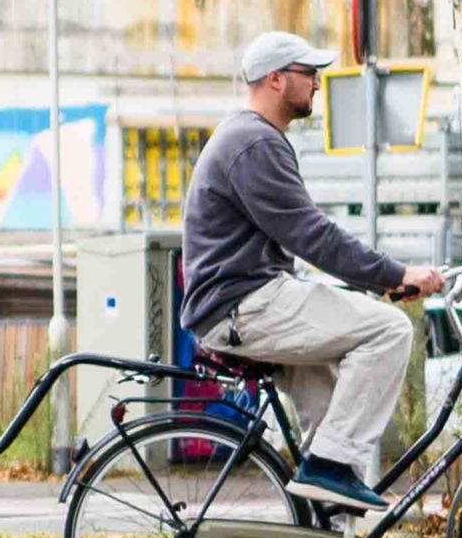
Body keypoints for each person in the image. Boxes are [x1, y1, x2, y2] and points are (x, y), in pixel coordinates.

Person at [179, 30, 447, 513]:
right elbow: (313, 236)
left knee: (328, 416)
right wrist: (393, 274)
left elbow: (303, 238)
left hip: (247, 300)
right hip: (244, 305)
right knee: (389, 330)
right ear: (276, 79)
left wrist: (381, 280)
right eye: (309, 73)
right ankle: (328, 467)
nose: (319, 83)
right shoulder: (254, 143)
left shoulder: (251, 138)